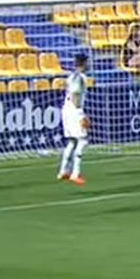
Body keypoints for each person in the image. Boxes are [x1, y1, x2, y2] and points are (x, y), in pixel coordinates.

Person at [57, 54, 90, 185]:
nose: (89, 65)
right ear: (83, 64)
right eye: (87, 63)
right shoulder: (79, 78)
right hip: (74, 111)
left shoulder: (71, 76)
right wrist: (81, 113)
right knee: (82, 141)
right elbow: (76, 94)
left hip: (66, 109)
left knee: (72, 141)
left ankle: (63, 171)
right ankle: (75, 174)